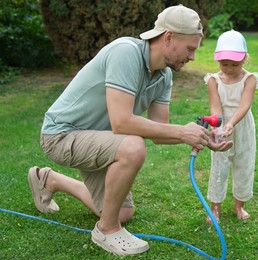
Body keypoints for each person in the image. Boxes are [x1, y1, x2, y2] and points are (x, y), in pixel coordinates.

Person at [27, 5, 232, 256]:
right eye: (190, 48)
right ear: (168, 37)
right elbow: (122, 123)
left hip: (100, 139)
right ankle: (106, 230)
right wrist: (181, 132)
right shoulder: (126, 53)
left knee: (123, 212)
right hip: (61, 135)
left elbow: (160, 132)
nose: (192, 57)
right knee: (133, 146)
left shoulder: (164, 75)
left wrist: (201, 135)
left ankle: (49, 180)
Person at [203, 30, 258, 225]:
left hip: (242, 125)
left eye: (234, 64)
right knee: (219, 164)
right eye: (224, 63)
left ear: (244, 58)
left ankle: (239, 205)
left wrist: (231, 124)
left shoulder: (250, 79)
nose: (228, 68)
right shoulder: (213, 80)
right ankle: (215, 207)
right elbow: (215, 106)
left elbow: (245, 105)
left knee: (244, 164)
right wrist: (218, 124)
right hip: (222, 126)